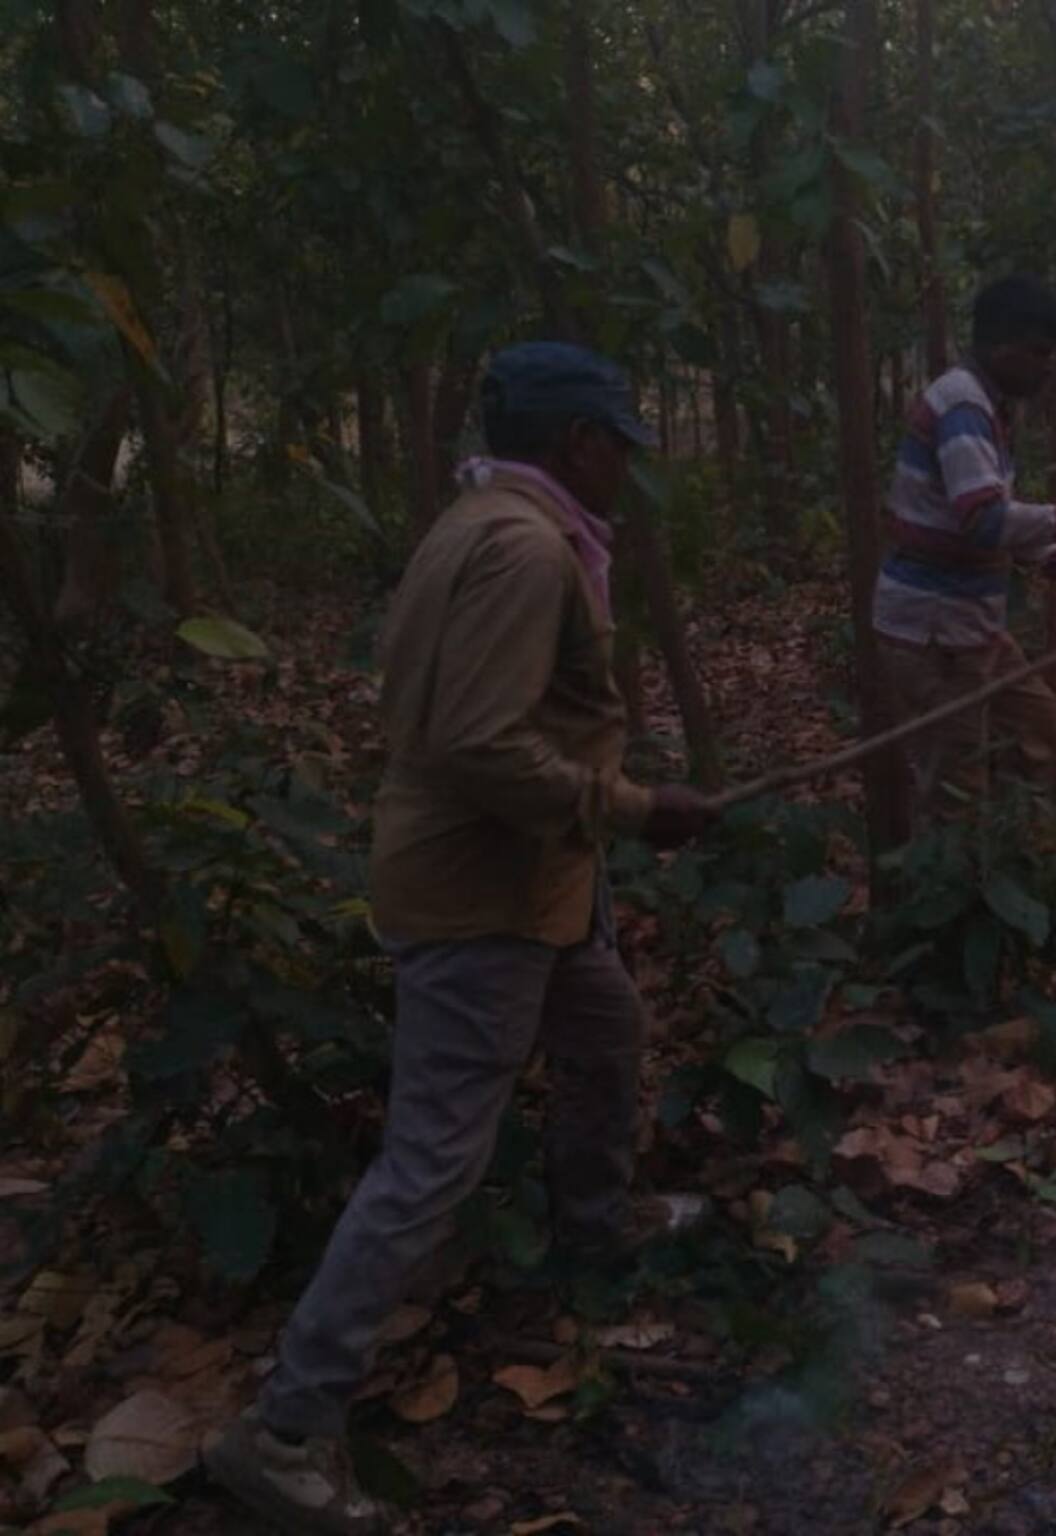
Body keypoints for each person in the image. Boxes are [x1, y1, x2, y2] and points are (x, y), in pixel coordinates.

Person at [204, 342, 716, 1535]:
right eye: (619, 444)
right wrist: (635, 809)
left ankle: (594, 1228)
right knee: (432, 1160)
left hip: (540, 882)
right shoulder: (526, 549)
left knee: (606, 1030)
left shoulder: (477, 519)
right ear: (578, 442)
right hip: (482, 894)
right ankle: (284, 1430)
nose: (627, 467)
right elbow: (478, 745)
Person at [873, 273, 1056, 816]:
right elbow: (985, 522)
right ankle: (967, 857)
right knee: (956, 787)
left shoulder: (988, 407)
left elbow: (989, 521)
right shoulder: (962, 407)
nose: (1048, 367)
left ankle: (1005, 838)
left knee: (1039, 727)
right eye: (1039, 353)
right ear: (999, 345)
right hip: (935, 633)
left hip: (972, 625)